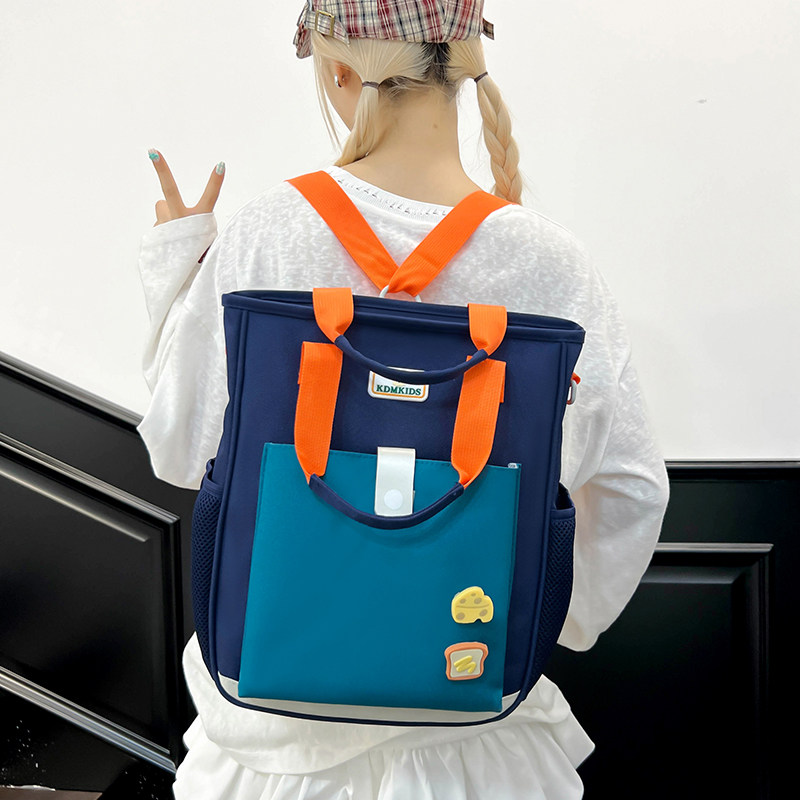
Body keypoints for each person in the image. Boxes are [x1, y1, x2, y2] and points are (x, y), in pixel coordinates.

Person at [137, 2, 670, 797]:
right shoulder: (553, 262)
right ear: (463, 66)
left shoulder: (268, 232)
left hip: (275, 741)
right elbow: (631, 488)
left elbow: (181, 452)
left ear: (339, 69)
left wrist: (176, 270)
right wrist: (558, 612)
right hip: (476, 735)